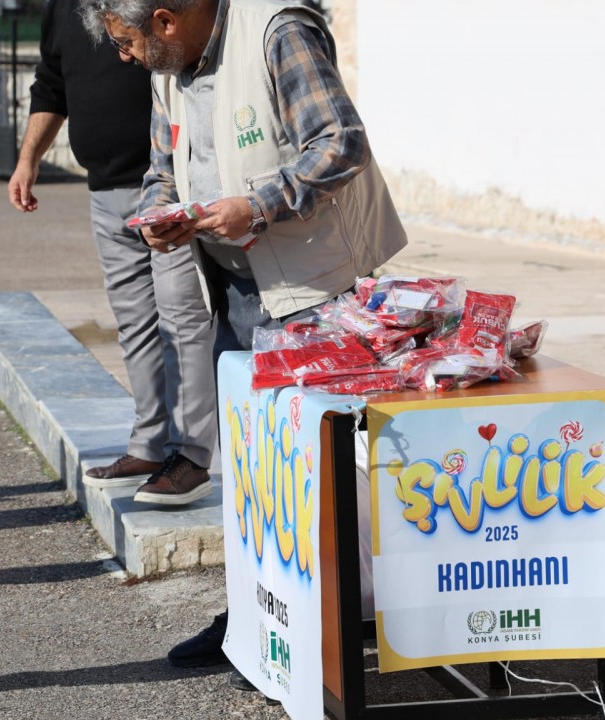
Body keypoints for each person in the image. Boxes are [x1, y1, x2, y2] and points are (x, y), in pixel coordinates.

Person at [78, 0, 408, 675]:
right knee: (260, 469)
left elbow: (340, 143)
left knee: (330, 473)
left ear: (166, 20)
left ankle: (347, 626)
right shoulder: (170, 63)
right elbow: (161, 166)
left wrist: (257, 204)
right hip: (233, 286)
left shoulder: (276, 29)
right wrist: (156, 212)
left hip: (315, 290)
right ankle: (258, 616)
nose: (124, 57)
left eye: (128, 41)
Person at [8, 0, 217, 505]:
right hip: (104, 191)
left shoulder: (147, 7)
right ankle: (148, 444)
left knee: (180, 317)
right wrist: (27, 159)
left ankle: (191, 456)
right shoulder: (62, 10)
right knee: (134, 322)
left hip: (167, 184)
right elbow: (50, 83)